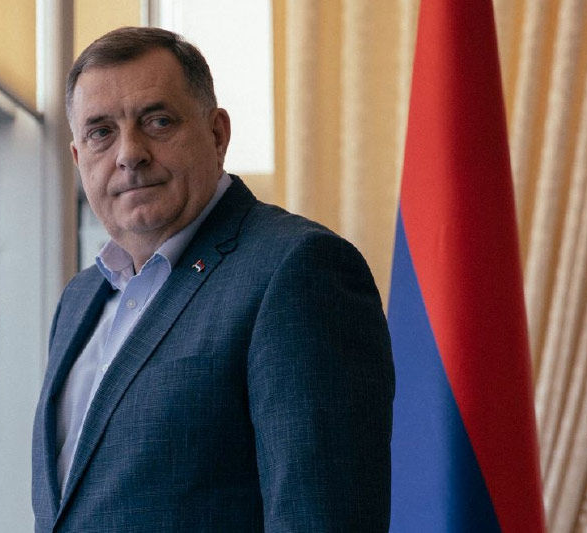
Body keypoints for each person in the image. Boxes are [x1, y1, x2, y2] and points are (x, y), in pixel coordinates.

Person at [31, 26, 394, 532]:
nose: (129, 153)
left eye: (157, 121)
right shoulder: (80, 298)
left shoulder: (297, 269)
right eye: (101, 132)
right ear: (78, 158)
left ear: (217, 134)